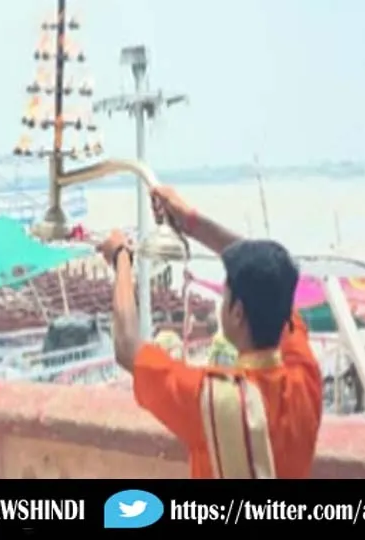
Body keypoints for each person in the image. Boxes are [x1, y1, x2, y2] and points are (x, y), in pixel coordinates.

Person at [99, 186, 323, 479]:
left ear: (237, 313)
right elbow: (272, 280)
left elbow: (127, 347)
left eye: (225, 294)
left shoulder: (211, 400)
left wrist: (121, 258)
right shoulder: (305, 379)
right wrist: (192, 223)